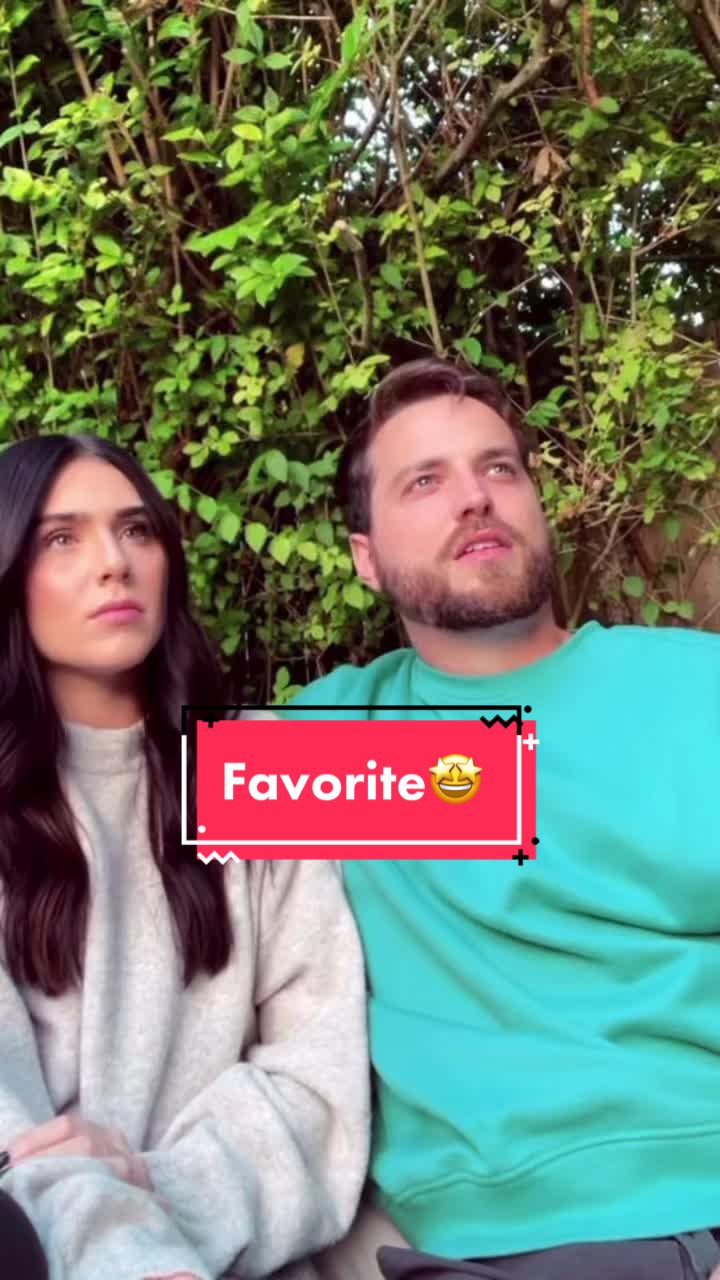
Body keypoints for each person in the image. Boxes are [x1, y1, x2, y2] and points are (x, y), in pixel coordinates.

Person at [283, 357, 720, 1280]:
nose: (474, 497)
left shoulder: (695, 690)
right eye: (424, 482)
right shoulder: (332, 747)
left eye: (499, 468)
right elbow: (92, 800)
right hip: (499, 1246)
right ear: (366, 558)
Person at [0, 434, 369, 1280]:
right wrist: (122, 1248)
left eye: (137, 530)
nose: (114, 564)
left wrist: (162, 1195)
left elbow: (317, 1082)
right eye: (62, 539)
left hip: (238, 1248)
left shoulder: (260, 766)